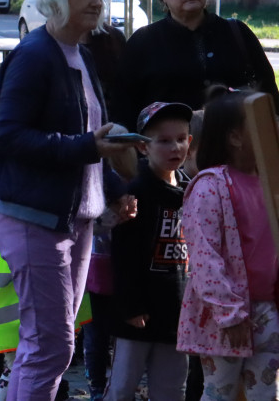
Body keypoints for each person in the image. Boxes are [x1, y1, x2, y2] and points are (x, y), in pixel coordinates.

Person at [0, 0, 138, 401]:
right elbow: (8, 136)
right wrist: (89, 147)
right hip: (35, 216)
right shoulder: (34, 55)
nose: (97, 1)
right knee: (50, 346)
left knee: (49, 345)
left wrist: (115, 188)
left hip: (78, 219)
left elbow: (89, 138)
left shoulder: (81, 55)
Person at [177, 88, 279, 401]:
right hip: (226, 317)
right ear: (235, 138)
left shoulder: (270, 183)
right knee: (219, 393)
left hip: (267, 310)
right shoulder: (211, 187)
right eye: (261, 124)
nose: (273, 127)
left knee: (264, 394)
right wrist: (229, 313)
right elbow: (206, 258)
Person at [117, 0, 279, 128]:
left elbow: (269, 92)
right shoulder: (144, 42)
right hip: (172, 150)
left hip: (237, 145)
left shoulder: (236, 33)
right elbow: (124, 107)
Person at [105, 102, 192, 401]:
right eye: (164, 140)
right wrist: (130, 305)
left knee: (171, 389)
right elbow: (124, 254)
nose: (175, 147)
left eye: (181, 138)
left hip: (177, 313)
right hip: (137, 313)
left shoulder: (191, 191)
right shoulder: (135, 191)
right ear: (143, 148)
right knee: (122, 386)